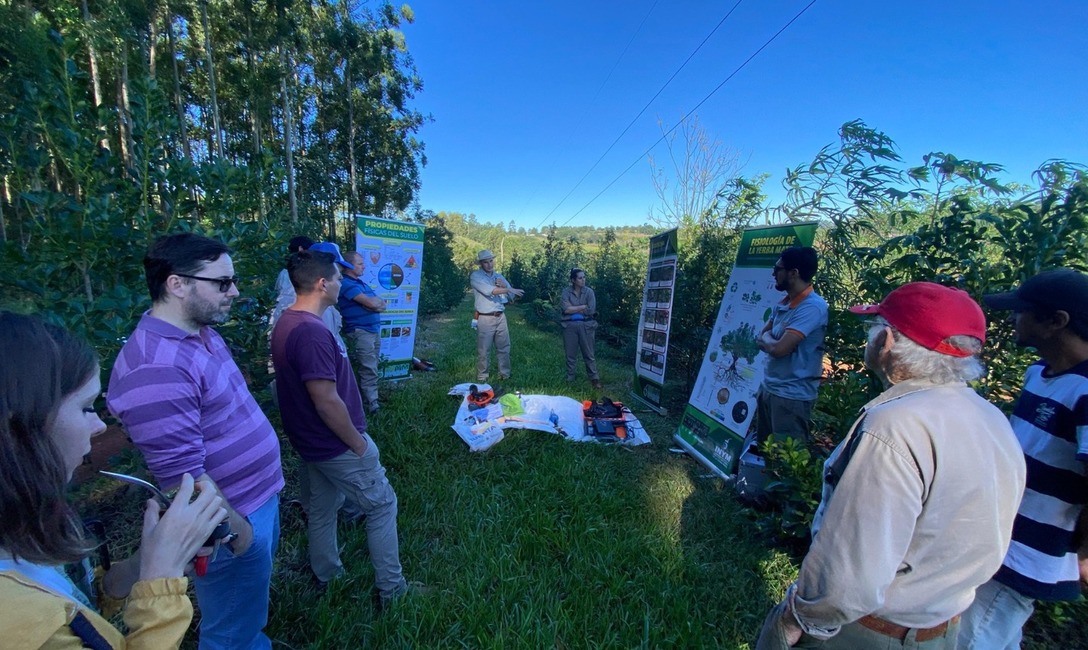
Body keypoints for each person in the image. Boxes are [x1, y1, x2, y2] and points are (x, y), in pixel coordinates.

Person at [756, 282, 1025, 649]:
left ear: (886, 342)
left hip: (867, 631)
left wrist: (797, 619)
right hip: (940, 630)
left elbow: (850, 568)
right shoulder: (991, 418)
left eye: (873, 328)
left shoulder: (895, 426)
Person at [0, 312, 227, 649]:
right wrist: (160, 581)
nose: (100, 427)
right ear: (21, 428)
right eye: (86, 407)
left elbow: (76, 605)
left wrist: (142, 564)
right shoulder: (18, 627)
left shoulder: (25, 524)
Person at [108, 233, 285, 650]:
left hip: (256, 500)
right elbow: (183, 479)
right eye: (222, 282)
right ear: (177, 284)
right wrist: (237, 531)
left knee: (243, 616)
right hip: (233, 518)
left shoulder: (200, 332)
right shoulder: (155, 367)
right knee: (228, 631)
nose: (234, 291)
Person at [270, 251, 409, 606]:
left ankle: (327, 576)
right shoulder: (311, 332)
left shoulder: (289, 321)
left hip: (311, 443)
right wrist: (359, 444)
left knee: (321, 509)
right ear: (322, 284)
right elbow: (326, 400)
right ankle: (392, 590)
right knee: (381, 504)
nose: (341, 283)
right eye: (337, 278)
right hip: (335, 445)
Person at [958, 268, 1088, 649]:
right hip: (999, 534)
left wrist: (1084, 554)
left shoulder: (1084, 392)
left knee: (974, 638)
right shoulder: (1039, 375)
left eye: (1023, 311)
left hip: (1028, 551)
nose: (1014, 319)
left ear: (1055, 322)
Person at [753, 246, 828, 448]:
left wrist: (773, 344)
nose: (773, 273)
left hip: (791, 398)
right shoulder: (784, 303)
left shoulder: (812, 307)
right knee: (766, 453)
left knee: (787, 465)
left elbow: (779, 349)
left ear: (793, 273)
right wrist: (774, 343)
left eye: (778, 268)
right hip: (769, 388)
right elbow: (761, 337)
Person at [339, 250, 387, 414]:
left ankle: (369, 399)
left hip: (372, 330)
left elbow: (382, 303)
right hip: (360, 332)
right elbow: (373, 303)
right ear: (349, 266)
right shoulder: (345, 283)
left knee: (372, 366)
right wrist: (371, 304)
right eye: (360, 263)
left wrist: (373, 304)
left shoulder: (361, 284)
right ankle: (371, 405)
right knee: (368, 368)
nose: (364, 266)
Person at [470, 249, 523, 382]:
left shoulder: (499, 276)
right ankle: (483, 376)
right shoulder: (476, 276)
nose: (489, 264)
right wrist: (508, 289)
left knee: (504, 347)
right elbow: (490, 291)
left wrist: (506, 286)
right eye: (485, 262)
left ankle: (505, 374)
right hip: (485, 317)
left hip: (500, 316)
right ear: (481, 264)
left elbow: (511, 296)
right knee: (484, 349)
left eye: (491, 261)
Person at [560, 267, 601, 388]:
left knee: (589, 353)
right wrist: (582, 306)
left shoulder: (589, 292)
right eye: (580, 278)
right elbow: (565, 309)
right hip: (569, 325)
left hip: (586, 325)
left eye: (584, 277)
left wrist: (573, 309)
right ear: (573, 280)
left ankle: (594, 379)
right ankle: (570, 377)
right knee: (570, 353)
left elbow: (590, 310)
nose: (583, 280)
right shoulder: (566, 292)